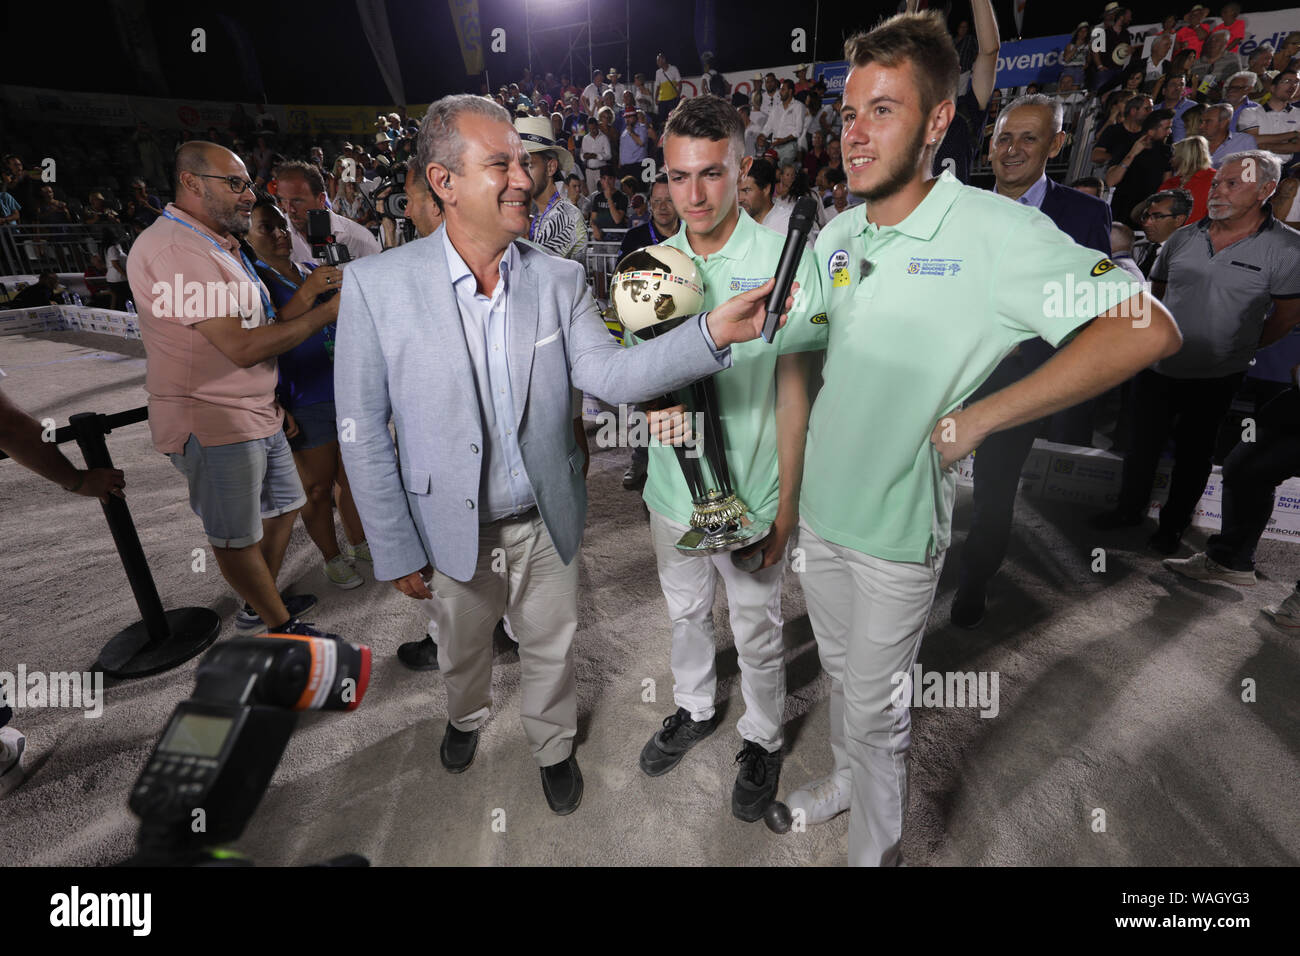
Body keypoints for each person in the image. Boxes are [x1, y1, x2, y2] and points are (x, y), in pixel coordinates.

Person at [786, 12, 1179, 867]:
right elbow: (807, 351)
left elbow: (1145, 328)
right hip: (821, 519)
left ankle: (875, 850)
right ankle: (850, 784)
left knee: (881, 707)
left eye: (882, 111)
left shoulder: (998, 236)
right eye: (849, 113)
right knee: (846, 686)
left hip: (895, 533)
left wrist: (989, 416)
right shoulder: (839, 233)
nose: (855, 134)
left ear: (936, 123)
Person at [334, 94, 791, 815]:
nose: (526, 177)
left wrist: (710, 333)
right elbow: (359, 425)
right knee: (463, 653)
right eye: (501, 164)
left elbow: (610, 376)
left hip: (546, 517)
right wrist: (392, 545)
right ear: (444, 181)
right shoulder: (375, 287)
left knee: (551, 650)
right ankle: (464, 717)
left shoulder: (559, 277)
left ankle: (552, 748)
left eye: (525, 161)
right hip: (446, 528)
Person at [629, 95, 825, 822]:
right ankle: (695, 706)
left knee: (757, 625)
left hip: (753, 492)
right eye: (680, 177)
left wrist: (789, 506)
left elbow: (796, 393)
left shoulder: (783, 261)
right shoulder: (650, 266)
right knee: (684, 613)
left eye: (712, 175)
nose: (696, 195)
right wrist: (653, 408)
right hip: (671, 491)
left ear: (740, 169)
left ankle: (764, 735)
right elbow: (633, 375)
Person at [127, 141, 344, 640]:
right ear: (191, 183)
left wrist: (307, 296)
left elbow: (261, 326)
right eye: (235, 184)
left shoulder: (215, 241)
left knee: (285, 505)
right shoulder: (177, 250)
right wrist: (324, 314)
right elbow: (242, 349)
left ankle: (257, 600)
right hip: (211, 417)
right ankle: (279, 627)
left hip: (252, 408)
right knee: (235, 536)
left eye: (247, 183)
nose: (248, 195)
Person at [950, 94, 1114, 629]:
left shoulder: (1085, 214)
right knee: (919, 479)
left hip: (1019, 381)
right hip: (945, 374)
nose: (1012, 149)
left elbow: (1088, 308)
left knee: (995, 488)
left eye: (1029, 138)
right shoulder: (960, 207)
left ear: (1057, 144)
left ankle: (974, 579)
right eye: (1003, 137)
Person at [1091, 153, 1300, 555]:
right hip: (1158, 367)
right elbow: (1160, 295)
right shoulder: (1183, 237)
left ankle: (1172, 527)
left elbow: (1287, 317)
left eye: (1232, 184)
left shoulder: (1288, 250)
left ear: (1266, 190)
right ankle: (1128, 511)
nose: (1218, 191)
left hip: (1219, 376)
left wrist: (1241, 346)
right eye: (1218, 182)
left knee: (1194, 454)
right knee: (1141, 446)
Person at [243, 197, 367, 592]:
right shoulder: (254, 283)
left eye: (282, 225)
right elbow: (265, 336)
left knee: (354, 478)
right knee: (316, 486)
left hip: (346, 387)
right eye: (267, 227)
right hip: (303, 395)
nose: (280, 233)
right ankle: (332, 557)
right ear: (245, 235)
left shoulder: (313, 269)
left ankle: (361, 542)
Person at [932, 0, 1000, 184]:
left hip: (955, 211)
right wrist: (911, 9)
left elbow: (989, 51)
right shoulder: (914, 116)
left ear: (959, 68)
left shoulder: (967, 109)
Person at [273, 160, 381, 264]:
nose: (290, 209)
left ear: (321, 199)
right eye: (283, 200)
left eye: (297, 201)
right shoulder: (272, 238)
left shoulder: (360, 239)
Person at [515, 115, 587, 261]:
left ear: (551, 167)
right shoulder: (532, 212)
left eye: (528, 165)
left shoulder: (568, 216)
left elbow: (532, 270)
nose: (519, 175)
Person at [1106, 108, 1175, 228]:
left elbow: (1166, 185)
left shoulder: (1166, 152)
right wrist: (1132, 154)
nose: (1169, 132)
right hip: (1121, 211)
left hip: (1146, 216)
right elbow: (1111, 181)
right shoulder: (1127, 145)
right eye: (1166, 128)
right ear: (1151, 131)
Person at [1237, 67, 1300, 159]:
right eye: (1287, 81)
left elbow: (1297, 146)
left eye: (1296, 82)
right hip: (1255, 164)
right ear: (1273, 88)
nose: (1293, 85)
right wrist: (1292, 134)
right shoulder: (1250, 112)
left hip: (1285, 168)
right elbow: (1251, 140)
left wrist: (1264, 146)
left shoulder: (1298, 114)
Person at [1131, 188, 1193, 274]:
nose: (1146, 223)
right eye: (1146, 216)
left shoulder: (1187, 259)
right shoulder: (1136, 248)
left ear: (1179, 220)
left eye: (1157, 217)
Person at [1159, 135, 1215, 221]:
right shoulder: (1170, 183)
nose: (1171, 161)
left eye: (1174, 156)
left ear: (1184, 158)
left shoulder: (1216, 179)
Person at [762, 79, 810, 167]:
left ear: (790, 91)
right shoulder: (776, 108)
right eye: (780, 89)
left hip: (789, 146)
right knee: (767, 168)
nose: (780, 92)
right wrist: (762, 136)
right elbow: (768, 126)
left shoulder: (798, 106)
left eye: (783, 89)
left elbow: (798, 131)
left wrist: (783, 140)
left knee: (783, 168)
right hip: (775, 146)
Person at [588, 166, 627, 240]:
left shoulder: (622, 197)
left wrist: (609, 198)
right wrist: (594, 227)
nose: (607, 182)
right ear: (601, 180)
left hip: (615, 237)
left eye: (610, 178)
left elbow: (617, 219)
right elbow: (593, 218)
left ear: (614, 180)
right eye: (604, 178)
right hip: (600, 236)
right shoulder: (597, 197)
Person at [579, 116, 612, 193]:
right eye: (590, 129)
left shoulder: (604, 138)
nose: (592, 131)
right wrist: (584, 156)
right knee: (591, 194)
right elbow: (581, 154)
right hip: (589, 171)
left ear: (597, 126)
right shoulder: (585, 138)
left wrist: (597, 156)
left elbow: (609, 155)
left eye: (594, 128)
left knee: (602, 192)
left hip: (600, 171)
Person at [654, 53, 682, 123]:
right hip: (662, 100)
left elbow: (679, 83)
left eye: (658, 60)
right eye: (657, 61)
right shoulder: (658, 72)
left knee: (673, 119)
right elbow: (657, 86)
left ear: (664, 60)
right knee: (662, 120)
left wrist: (678, 96)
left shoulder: (673, 69)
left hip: (672, 99)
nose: (657, 62)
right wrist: (656, 98)